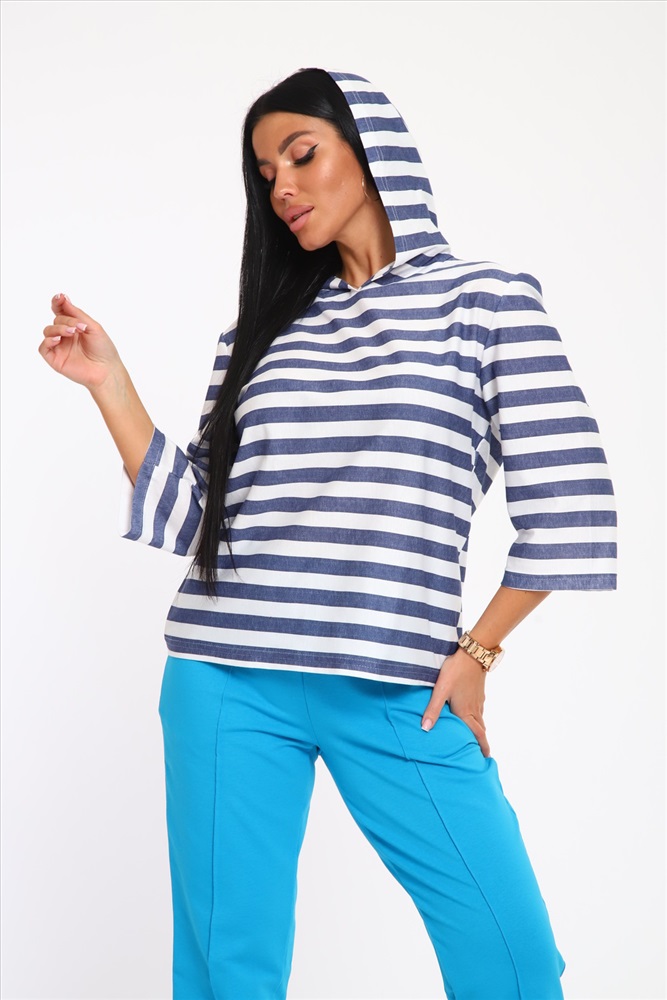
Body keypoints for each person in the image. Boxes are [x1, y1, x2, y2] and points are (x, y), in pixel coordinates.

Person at [39, 68, 617, 1000]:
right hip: (224, 678)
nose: (282, 187)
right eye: (265, 173)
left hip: (396, 686)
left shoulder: (486, 303)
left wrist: (477, 650)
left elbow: (571, 499)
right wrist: (110, 384)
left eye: (301, 155)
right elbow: (200, 520)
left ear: (372, 150)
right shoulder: (261, 331)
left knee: (510, 960)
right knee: (227, 973)